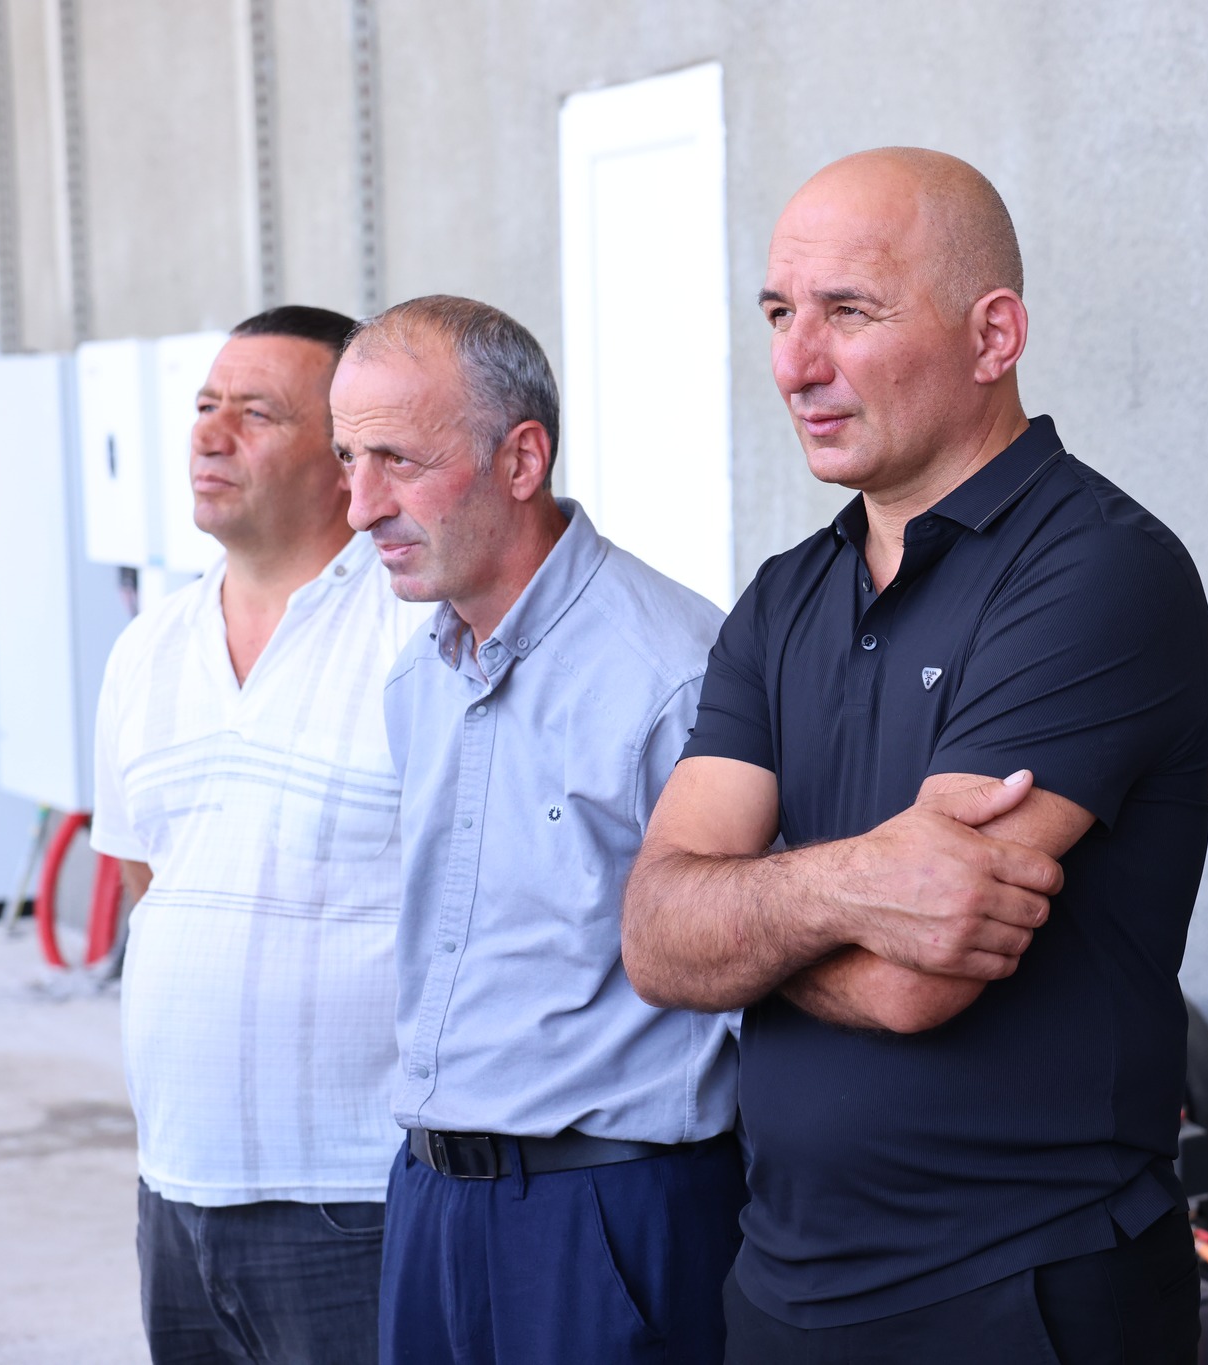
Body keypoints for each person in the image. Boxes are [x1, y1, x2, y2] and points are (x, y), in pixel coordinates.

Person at [620, 148, 1208, 1364]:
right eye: (779, 314)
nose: (795, 363)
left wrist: (741, 919)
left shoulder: (1096, 570)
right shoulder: (784, 597)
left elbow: (915, 975)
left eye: (849, 311)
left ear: (992, 335)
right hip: (780, 1280)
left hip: (1020, 1290)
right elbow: (652, 939)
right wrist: (845, 888)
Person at [330, 294, 741, 1365]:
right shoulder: (420, 676)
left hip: (606, 1214)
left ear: (522, 459)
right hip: (431, 1198)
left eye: (398, 461)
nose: (360, 507)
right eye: (347, 459)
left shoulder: (671, 672)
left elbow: (755, 970)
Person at [91, 304, 426, 1363]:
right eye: (204, 406)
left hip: (356, 1197)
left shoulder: (420, 636)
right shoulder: (146, 649)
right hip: (175, 1192)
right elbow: (150, 884)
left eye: (256, 412)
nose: (209, 432)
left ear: (344, 460)